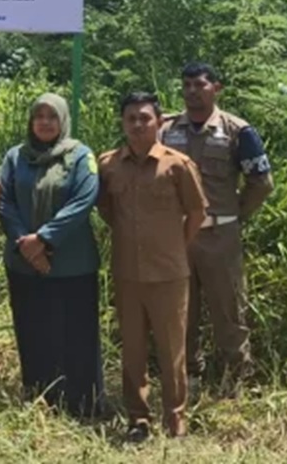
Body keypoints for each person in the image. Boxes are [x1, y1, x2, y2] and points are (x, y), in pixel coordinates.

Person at [98, 92, 208, 442]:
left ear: (159, 123)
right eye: (130, 118)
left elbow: (196, 213)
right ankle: (138, 417)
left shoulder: (178, 165)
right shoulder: (109, 164)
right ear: (122, 122)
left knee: (171, 347)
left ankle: (175, 416)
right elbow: (106, 210)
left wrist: (175, 246)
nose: (137, 124)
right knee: (132, 347)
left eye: (144, 118)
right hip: (127, 273)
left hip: (169, 274)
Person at [160, 62, 274, 393]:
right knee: (181, 311)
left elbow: (262, 182)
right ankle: (189, 377)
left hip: (219, 235)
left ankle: (236, 380)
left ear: (216, 88)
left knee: (228, 311)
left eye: (199, 85)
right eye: (187, 85)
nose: (192, 91)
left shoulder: (238, 131)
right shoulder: (166, 128)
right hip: (177, 236)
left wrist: (235, 214)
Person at [0, 92, 104, 418]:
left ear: (63, 120)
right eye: (39, 116)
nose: (44, 122)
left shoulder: (81, 156)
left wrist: (43, 240)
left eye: (52, 116)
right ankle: (41, 400)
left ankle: (83, 404)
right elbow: (4, 202)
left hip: (72, 265)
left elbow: (84, 200)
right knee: (33, 332)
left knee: (77, 336)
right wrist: (25, 244)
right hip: (24, 266)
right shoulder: (16, 157)